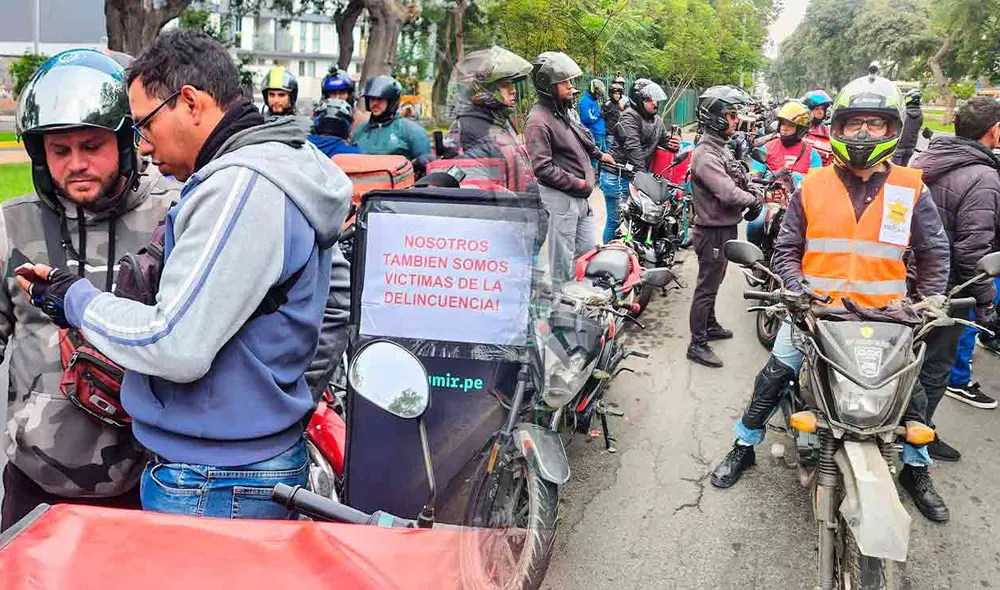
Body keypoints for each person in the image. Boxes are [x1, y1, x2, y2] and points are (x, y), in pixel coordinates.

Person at [15, 30, 353, 520]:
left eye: (144, 125)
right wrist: (276, 400)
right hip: (245, 462)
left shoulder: (238, 186)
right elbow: (335, 301)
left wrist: (74, 299)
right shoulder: (287, 165)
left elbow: (175, 346)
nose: (145, 146)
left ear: (190, 102)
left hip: (214, 477)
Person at [711, 72, 954, 523]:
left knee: (911, 396)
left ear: (892, 129)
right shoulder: (813, 185)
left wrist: (934, 298)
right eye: (854, 123)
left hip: (888, 317)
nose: (863, 133)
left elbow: (934, 250)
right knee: (774, 375)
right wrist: (795, 288)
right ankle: (744, 445)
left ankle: (916, 470)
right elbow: (786, 248)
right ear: (838, 127)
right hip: (814, 312)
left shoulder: (910, 187)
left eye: (875, 124)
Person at [0, 49, 176, 531]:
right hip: (36, 482)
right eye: (59, 150)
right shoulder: (12, 225)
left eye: (91, 145)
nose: (76, 163)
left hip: (156, 482)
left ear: (123, 141)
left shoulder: (178, 215)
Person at [909, 97, 1000, 463]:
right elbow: (972, 253)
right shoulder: (984, 176)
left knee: (906, 361)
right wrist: (986, 301)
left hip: (909, 279)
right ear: (993, 130)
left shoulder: (923, 159)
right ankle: (917, 441)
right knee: (934, 369)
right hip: (947, 291)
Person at [686, 85, 762, 368]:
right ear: (716, 117)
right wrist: (753, 199)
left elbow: (738, 179)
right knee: (706, 286)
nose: (735, 120)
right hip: (712, 231)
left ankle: (710, 324)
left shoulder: (721, 148)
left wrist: (754, 188)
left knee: (714, 281)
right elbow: (728, 192)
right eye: (730, 115)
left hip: (724, 228)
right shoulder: (706, 155)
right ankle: (697, 343)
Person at [525, 52, 614, 283]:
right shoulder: (538, 120)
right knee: (562, 265)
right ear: (547, 85)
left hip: (580, 199)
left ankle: (581, 306)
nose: (570, 86)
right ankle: (561, 310)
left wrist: (599, 154)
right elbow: (542, 167)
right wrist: (580, 183)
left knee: (586, 257)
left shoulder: (559, 113)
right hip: (562, 199)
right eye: (564, 82)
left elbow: (580, 140)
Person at [603, 78, 681, 243]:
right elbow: (634, 150)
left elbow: (664, 140)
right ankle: (610, 258)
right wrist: (646, 182)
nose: (654, 103)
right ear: (637, 100)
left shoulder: (657, 121)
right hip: (617, 176)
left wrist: (673, 145)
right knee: (617, 222)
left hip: (635, 176)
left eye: (654, 99)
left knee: (641, 221)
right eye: (648, 99)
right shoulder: (629, 117)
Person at [448, 46, 535, 191]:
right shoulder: (468, 127)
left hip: (517, 206)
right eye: (504, 85)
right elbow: (470, 185)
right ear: (481, 88)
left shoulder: (498, 119)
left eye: (512, 85)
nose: (513, 90)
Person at [747, 100, 822, 246]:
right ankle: (753, 259)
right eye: (783, 124)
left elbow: (817, 183)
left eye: (790, 125)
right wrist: (763, 179)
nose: (784, 129)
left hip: (799, 205)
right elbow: (755, 174)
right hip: (771, 202)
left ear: (800, 129)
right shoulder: (767, 148)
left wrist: (798, 179)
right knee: (756, 223)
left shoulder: (812, 154)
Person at [351, 75, 431, 160]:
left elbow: (426, 163)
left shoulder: (411, 131)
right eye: (371, 99)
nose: (374, 103)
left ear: (392, 102)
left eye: (380, 99)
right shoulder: (360, 130)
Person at [893, 88, 924, 166]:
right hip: (910, 148)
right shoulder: (920, 115)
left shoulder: (902, 113)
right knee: (904, 168)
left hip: (899, 147)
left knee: (895, 172)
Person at [802, 89, 833, 163]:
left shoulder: (824, 129)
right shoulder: (801, 127)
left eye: (822, 109)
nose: (821, 112)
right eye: (817, 109)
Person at [579, 79, 607, 151]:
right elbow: (586, 118)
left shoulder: (594, 100)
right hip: (594, 132)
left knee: (605, 157)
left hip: (600, 132)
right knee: (595, 159)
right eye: (598, 94)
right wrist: (599, 115)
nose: (598, 96)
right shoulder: (585, 101)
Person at [602, 82, 626, 146]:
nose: (617, 95)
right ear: (611, 94)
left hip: (617, 133)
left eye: (619, 94)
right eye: (615, 94)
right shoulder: (608, 104)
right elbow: (602, 117)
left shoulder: (618, 104)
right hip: (609, 134)